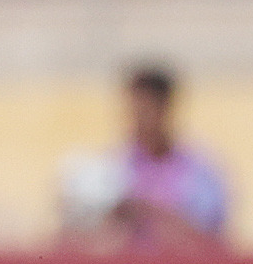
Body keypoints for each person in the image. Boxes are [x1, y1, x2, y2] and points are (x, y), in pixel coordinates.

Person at [60, 62, 231, 251]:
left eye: (146, 109)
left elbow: (210, 242)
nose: (138, 118)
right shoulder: (110, 165)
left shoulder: (199, 172)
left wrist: (145, 211)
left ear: (165, 108)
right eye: (133, 109)